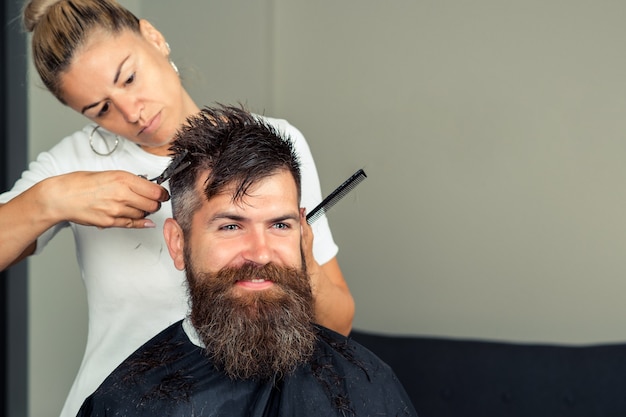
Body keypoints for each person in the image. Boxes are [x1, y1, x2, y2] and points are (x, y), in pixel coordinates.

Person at [0, 1, 354, 416]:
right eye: (101, 110)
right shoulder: (73, 164)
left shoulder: (271, 144)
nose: (133, 112)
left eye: (130, 78)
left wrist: (294, 253)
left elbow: (337, 326)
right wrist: (53, 199)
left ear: (154, 37)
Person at [76, 105, 416, 417]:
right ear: (178, 243)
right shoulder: (125, 402)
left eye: (280, 225)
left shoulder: (366, 383)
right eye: (231, 226)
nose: (260, 252)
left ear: (303, 234)